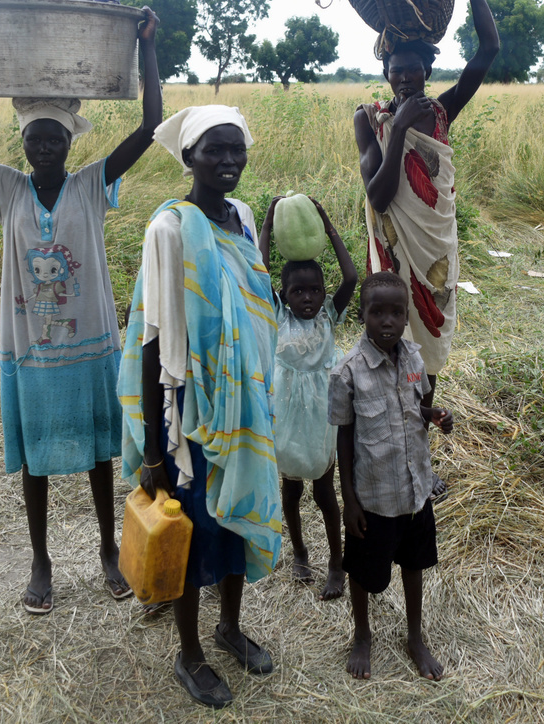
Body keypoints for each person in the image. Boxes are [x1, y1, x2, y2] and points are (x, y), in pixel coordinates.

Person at [0, 0, 161, 611]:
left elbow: (151, 124)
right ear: (21, 143)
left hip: (90, 339)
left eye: (54, 137)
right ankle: (41, 563)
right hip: (30, 347)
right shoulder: (7, 186)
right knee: (37, 464)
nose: (44, 146)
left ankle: (106, 551)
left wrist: (148, 47)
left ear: (69, 142)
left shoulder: (92, 182)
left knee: (101, 453)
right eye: (34, 137)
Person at [119, 105, 282, 709]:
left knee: (237, 514)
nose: (229, 161)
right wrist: (155, 452)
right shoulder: (169, 228)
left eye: (237, 149)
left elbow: (254, 303)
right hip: (191, 404)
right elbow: (152, 336)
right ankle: (190, 654)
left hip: (243, 397)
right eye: (215, 150)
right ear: (188, 157)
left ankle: (230, 627)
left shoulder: (239, 217)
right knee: (193, 526)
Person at [353, 0, 499, 498]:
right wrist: (400, 134)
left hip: (435, 254)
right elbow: (380, 195)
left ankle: (417, 457)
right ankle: (380, 457)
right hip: (391, 254)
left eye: (416, 71)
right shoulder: (370, 119)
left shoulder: (442, 111)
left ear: (427, 71)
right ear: (386, 71)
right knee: (386, 350)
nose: (407, 79)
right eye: (398, 71)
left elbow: (488, 48)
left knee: (426, 363)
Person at [330, 271, 454, 681]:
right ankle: (362, 633)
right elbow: (344, 438)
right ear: (362, 315)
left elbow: (412, 411)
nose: (387, 320)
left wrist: (433, 415)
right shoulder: (347, 372)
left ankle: (415, 636)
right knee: (364, 572)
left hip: (414, 490)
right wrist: (349, 500)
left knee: (414, 564)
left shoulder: (416, 360)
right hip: (374, 498)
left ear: (406, 317)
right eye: (376, 312)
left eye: (396, 313)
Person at [257, 195, 357, 600]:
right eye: (298, 292)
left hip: (319, 416)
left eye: (314, 290)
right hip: (286, 413)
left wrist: (328, 226)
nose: (308, 298)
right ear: (284, 294)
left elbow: (350, 278)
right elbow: (258, 271)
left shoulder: (328, 316)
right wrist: (267, 224)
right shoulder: (278, 313)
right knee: (292, 490)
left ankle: (336, 561)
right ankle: (299, 551)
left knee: (325, 492)